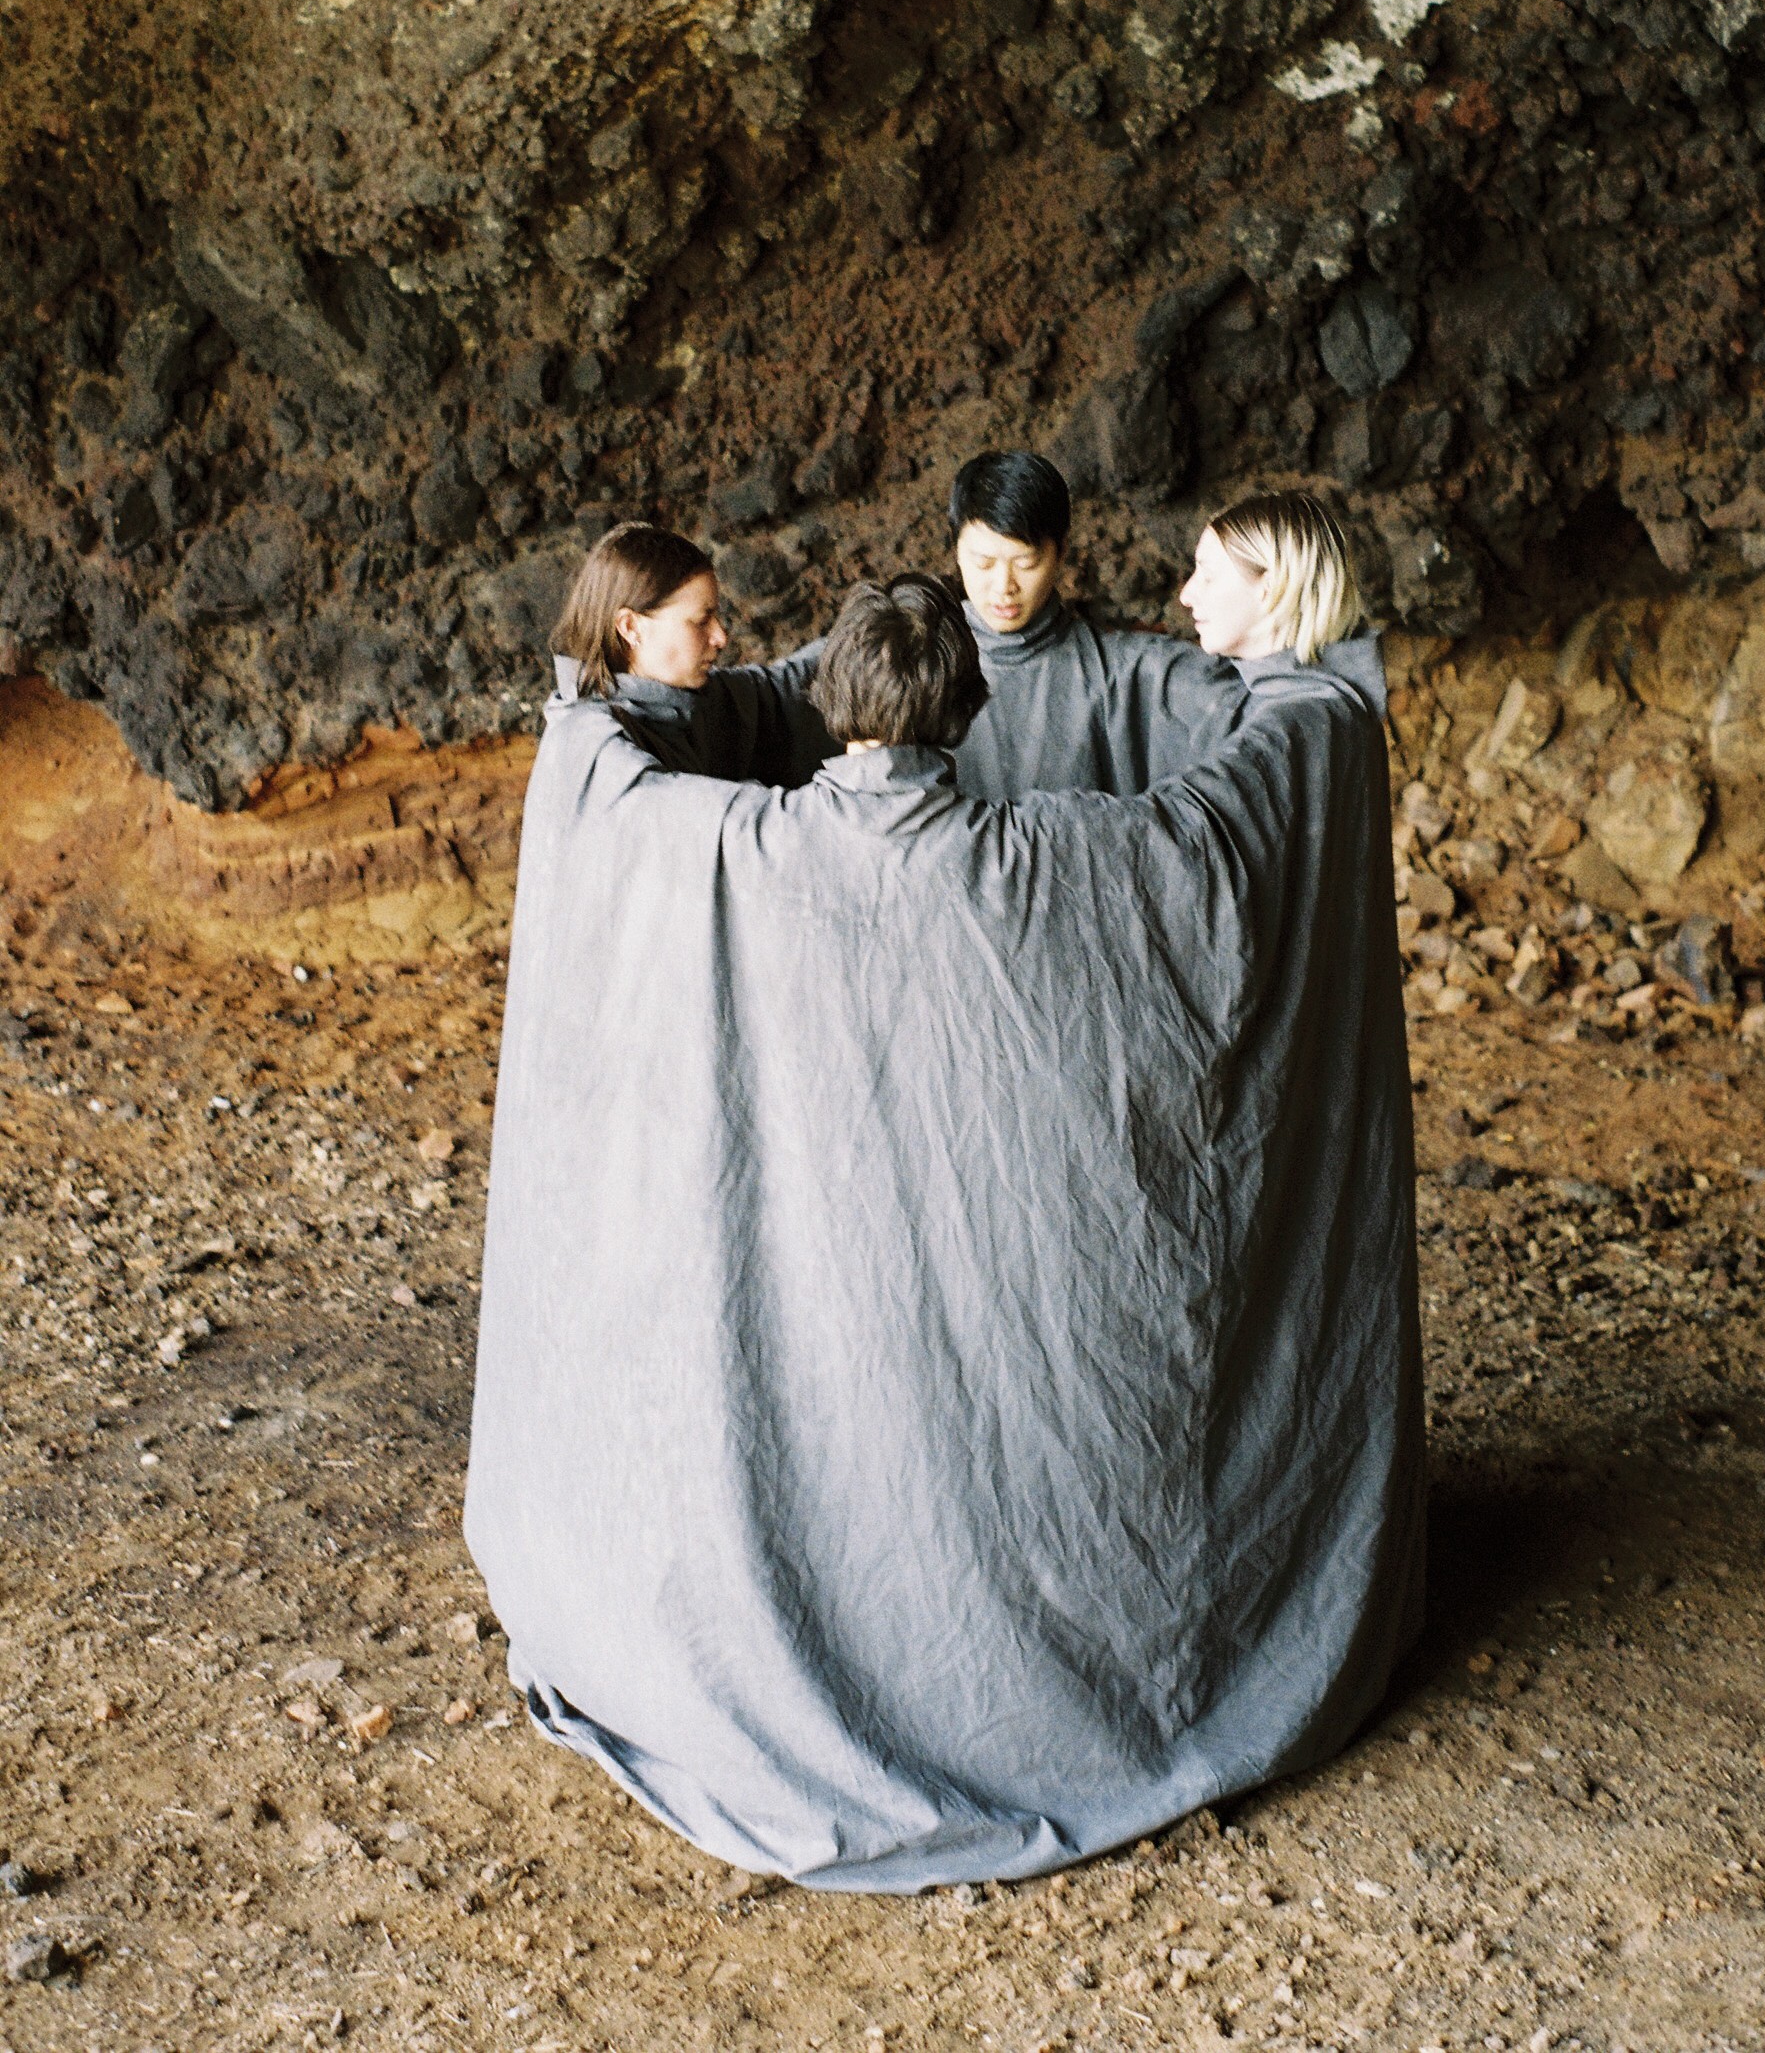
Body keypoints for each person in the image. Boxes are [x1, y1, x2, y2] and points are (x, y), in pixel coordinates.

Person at [466, 554, 1422, 1892]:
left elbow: (604, 774)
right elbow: (1215, 832)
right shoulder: (1058, 859)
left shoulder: (734, 848)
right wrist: (1311, 709)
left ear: (833, 704)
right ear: (968, 715)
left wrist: (610, 695)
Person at [946, 450, 1245, 797]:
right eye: (983, 563)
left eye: (1026, 563)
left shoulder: (1125, 674)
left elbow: (1265, 708)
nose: (1004, 586)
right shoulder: (915, 666)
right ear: (956, 549)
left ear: (1061, 553)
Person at [547, 520, 834, 783]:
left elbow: (778, 687)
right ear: (630, 627)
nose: (721, 637)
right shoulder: (603, 753)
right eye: (700, 621)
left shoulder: (683, 703)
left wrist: (858, 645)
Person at [1179, 489, 1388, 715]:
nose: (1186, 596)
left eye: (1208, 576)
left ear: (1271, 584)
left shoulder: (1290, 724)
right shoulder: (1329, 697)